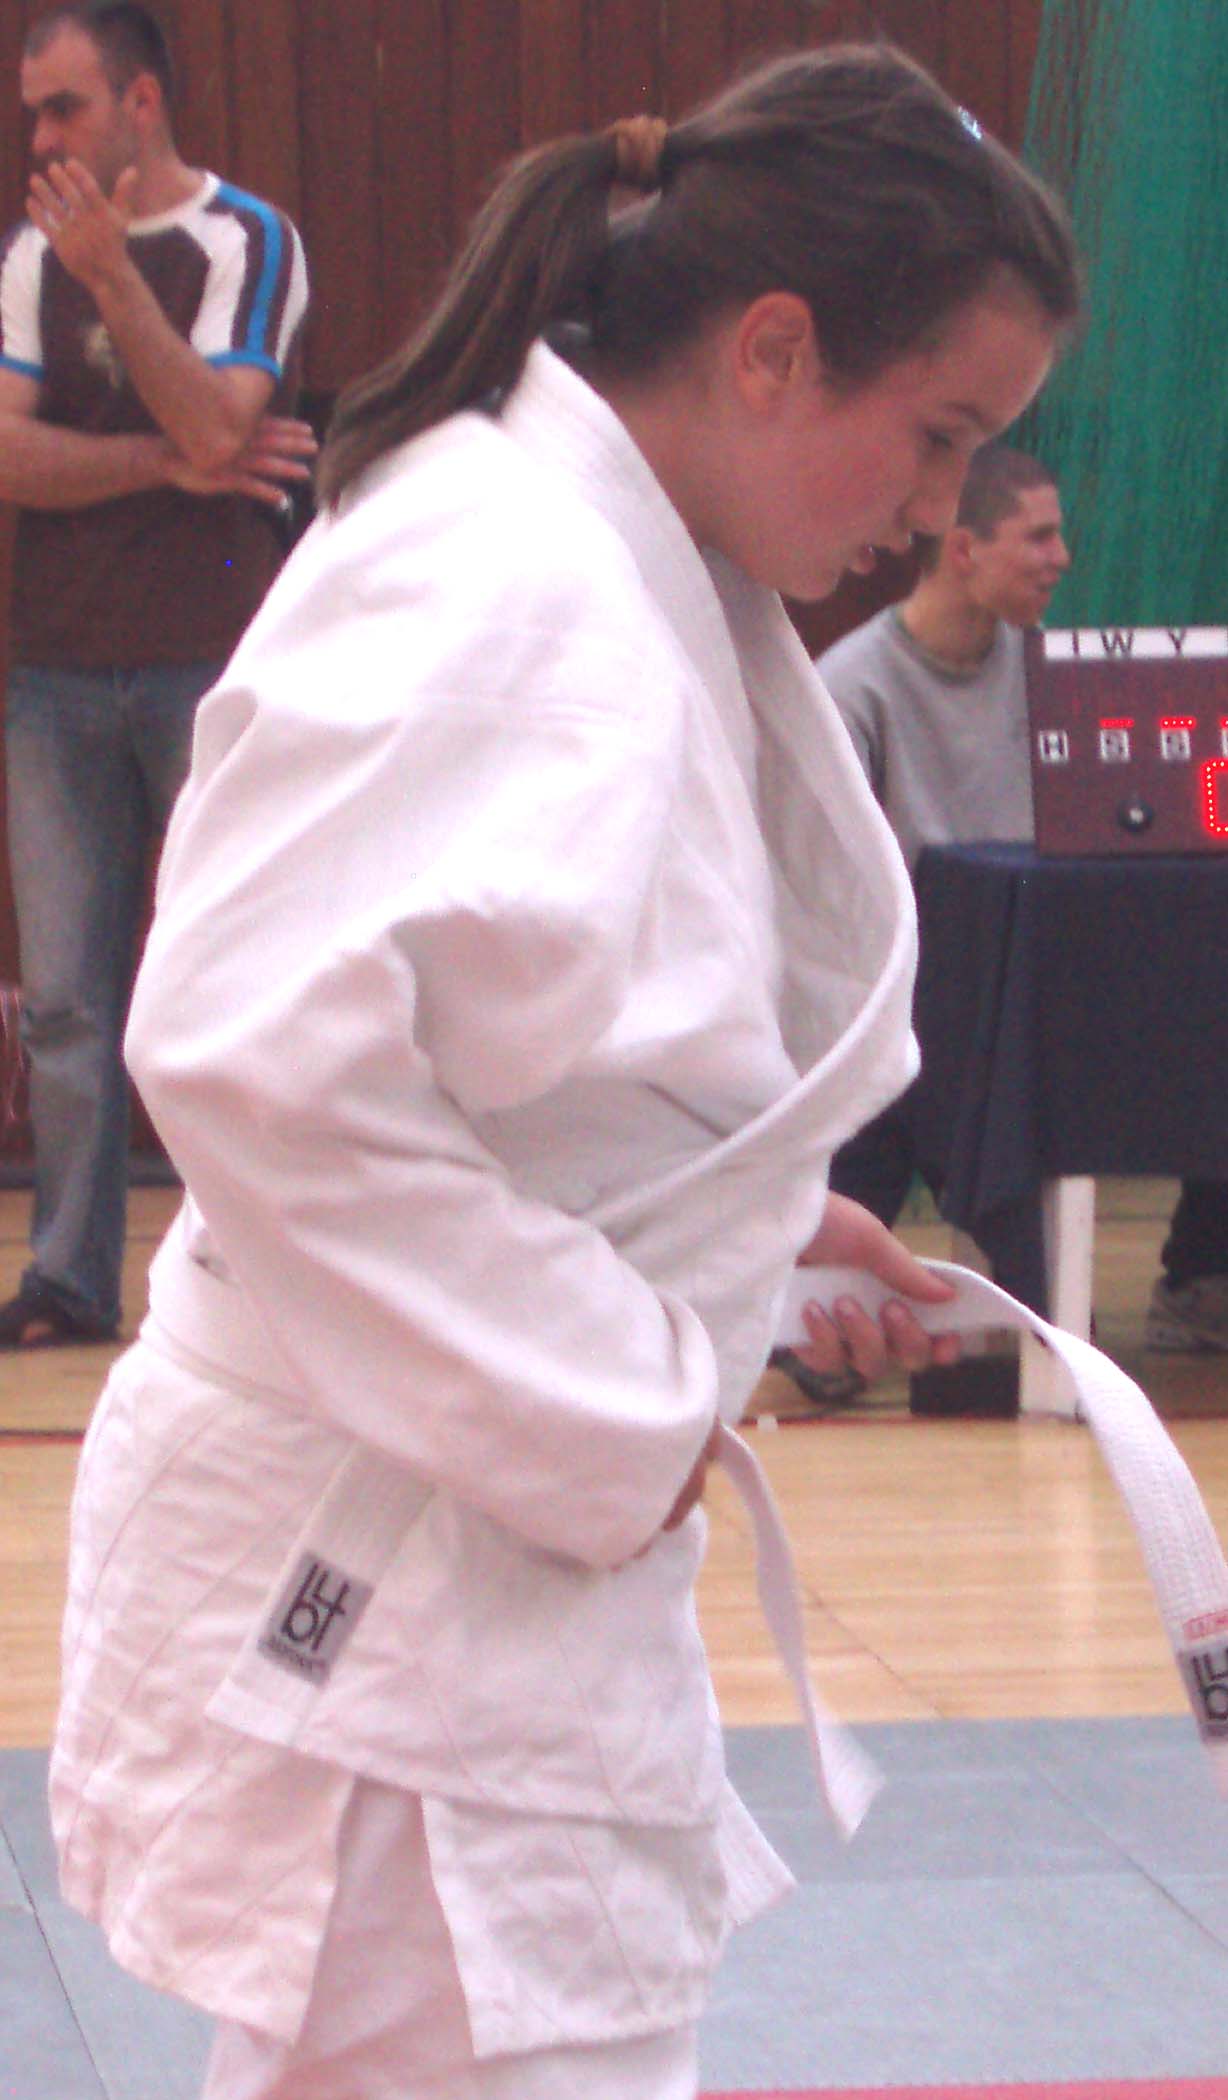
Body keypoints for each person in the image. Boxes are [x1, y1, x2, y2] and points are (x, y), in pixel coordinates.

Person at [49, 44, 1077, 2100]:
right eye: (937, 433)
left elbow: (515, 1051)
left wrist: (741, 1230)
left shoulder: (595, 555)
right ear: (771, 350)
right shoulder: (505, 576)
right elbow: (250, 1059)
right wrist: (609, 1392)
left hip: (448, 1556)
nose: (934, 508)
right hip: (395, 1560)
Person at [0, 1, 312, 1349]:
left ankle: (245, 1272)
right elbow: (10, 455)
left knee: (230, 981)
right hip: (54, 669)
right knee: (69, 1000)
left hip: (213, 667)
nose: (41, 139)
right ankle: (69, 1276)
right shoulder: (30, 259)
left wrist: (117, 282)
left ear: (141, 104)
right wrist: (162, 465)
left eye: (63, 108)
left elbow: (220, 419)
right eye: (31, 113)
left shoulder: (247, 240)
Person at [816, 444, 1228, 1369]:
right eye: (1039, 537)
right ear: (964, 550)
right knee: (818, 1350)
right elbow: (825, 897)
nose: (1061, 558)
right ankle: (988, 1290)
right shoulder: (853, 688)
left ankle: (1202, 1275)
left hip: (1046, 993)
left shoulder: (1053, 675)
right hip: (914, 1007)